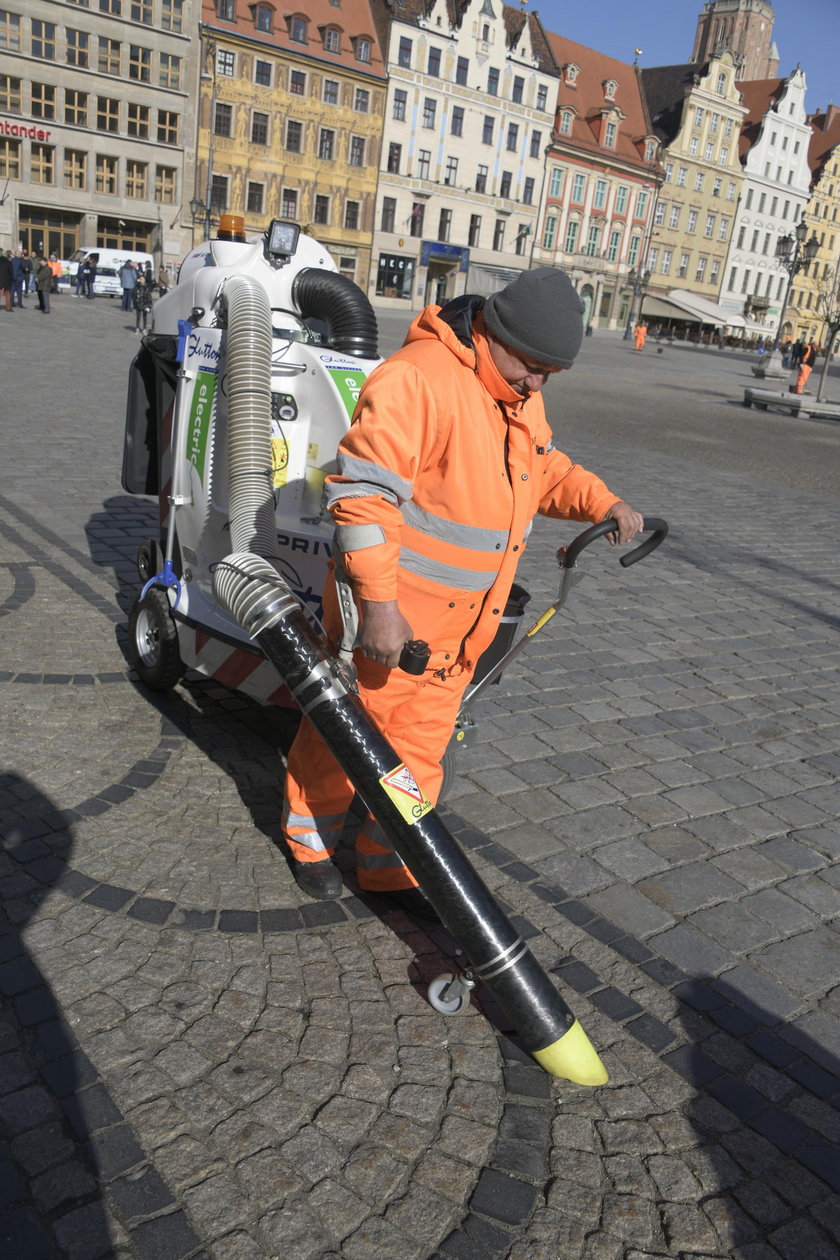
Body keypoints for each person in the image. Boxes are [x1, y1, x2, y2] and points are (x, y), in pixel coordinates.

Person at [280, 268, 644, 915]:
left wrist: (602, 502)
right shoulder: (418, 379)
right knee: (344, 741)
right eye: (531, 368)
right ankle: (309, 842)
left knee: (418, 759)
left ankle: (389, 867)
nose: (536, 385)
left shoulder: (518, 394)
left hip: (453, 642)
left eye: (548, 377)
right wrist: (379, 609)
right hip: (389, 631)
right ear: (493, 332)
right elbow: (362, 499)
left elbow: (543, 469)